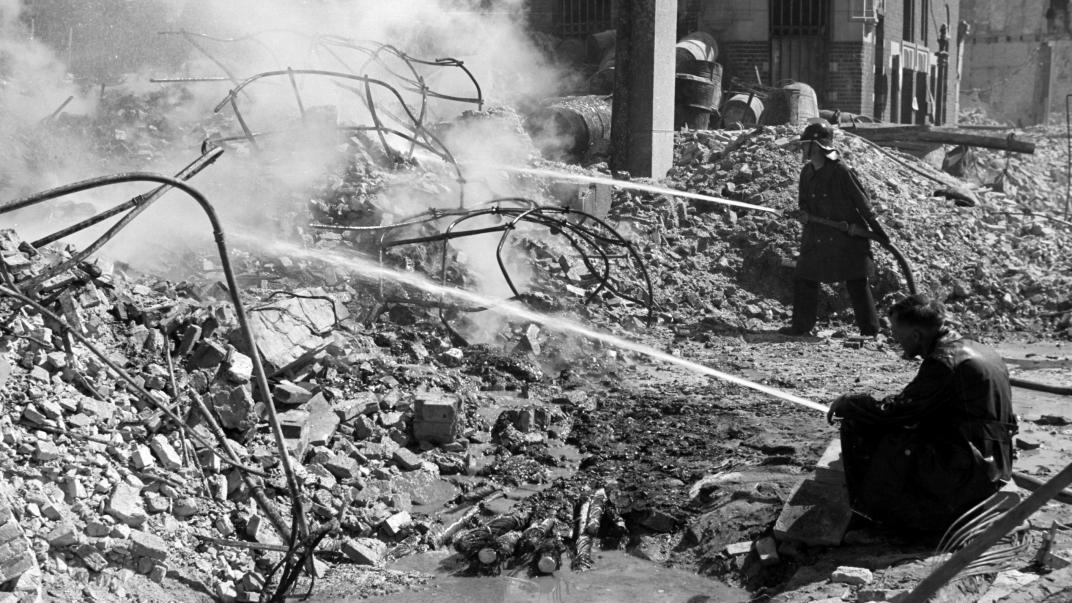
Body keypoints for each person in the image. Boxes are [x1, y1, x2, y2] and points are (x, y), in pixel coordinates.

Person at [826, 294, 1017, 534]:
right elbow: (920, 404)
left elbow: (898, 412)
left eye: (896, 332)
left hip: (970, 466)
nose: (895, 339)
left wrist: (851, 403)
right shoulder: (973, 348)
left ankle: (871, 515)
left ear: (916, 335)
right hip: (994, 456)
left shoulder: (943, 361)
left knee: (861, 426)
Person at [779, 120, 891, 337]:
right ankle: (802, 326)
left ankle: (869, 330)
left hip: (845, 237)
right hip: (817, 237)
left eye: (806, 145)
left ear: (817, 146)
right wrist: (803, 213)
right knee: (805, 276)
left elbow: (863, 205)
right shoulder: (807, 172)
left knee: (856, 280)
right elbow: (803, 202)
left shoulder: (840, 171)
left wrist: (881, 233)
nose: (803, 149)